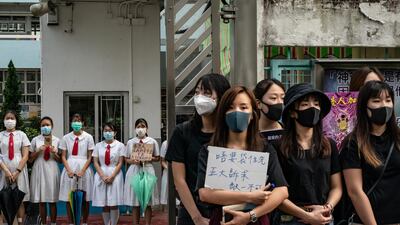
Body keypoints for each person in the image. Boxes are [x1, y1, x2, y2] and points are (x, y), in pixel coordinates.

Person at [197, 86, 289, 225]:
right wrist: (250, 196)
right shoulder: (209, 150)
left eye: (244, 107)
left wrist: (251, 215)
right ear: (223, 113)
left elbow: (282, 191)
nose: (237, 112)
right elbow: (205, 194)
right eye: (231, 107)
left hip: (257, 219)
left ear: (252, 114)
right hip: (222, 219)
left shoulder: (264, 149)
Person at [165, 73, 230, 225]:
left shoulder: (230, 133)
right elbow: (179, 180)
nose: (200, 97)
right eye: (197, 92)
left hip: (226, 210)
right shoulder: (182, 132)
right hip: (191, 211)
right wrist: (196, 217)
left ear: (222, 97)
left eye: (207, 93)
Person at [275, 83, 342, 225]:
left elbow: (337, 187)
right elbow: (276, 195)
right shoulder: (278, 147)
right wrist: (306, 215)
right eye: (305, 104)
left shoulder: (329, 145)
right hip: (290, 219)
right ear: (292, 112)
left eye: (316, 104)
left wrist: (327, 207)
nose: (313, 108)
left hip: (324, 218)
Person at [340, 80, 400, 225]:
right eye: (376, 101)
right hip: (366, 222)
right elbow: (355, 191)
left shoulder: (398, 138)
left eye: (388, 100)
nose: (384, 105)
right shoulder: (353, 143)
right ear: (364, 106)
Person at [59, 113, 94, 225]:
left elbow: (90, 157)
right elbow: (63, 156)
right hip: (70, 167)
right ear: (71, 123)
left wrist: (83, 170)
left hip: (84, 168)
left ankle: (84, 222)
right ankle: (71, 222)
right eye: (74, 120)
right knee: (70, 196)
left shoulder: (88, 137)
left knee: (85, 196)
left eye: (79, 120)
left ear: (83, 123)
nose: (76, 122)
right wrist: (68, 170)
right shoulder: (65, 137)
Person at [124, 118, 160, 225]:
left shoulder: (152, 141)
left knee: (147, 201)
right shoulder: (130, 142)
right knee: (136, 202)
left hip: (148, 170)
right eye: (138, 127)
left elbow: (157, 157)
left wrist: (149, 158)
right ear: (135, 128)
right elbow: (126, 158)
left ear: (147, 128)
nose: (141, 129)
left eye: (143, 126)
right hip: (134, 170)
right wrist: (133, 161)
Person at [0, 110, 30, 225]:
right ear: (3, 121)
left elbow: (26, 155)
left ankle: (20, 222)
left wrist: (17, 171)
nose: (10, 120)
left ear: (16, 120)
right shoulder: (0, 135)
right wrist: (6, 171)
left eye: (12, 118)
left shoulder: (22, 135)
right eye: (7, 118)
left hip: (20, 170)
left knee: (20, 198)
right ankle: (8, 222)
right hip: (4, 169)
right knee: (4, 198)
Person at [29, 116, 60, 225]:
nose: (45, 127)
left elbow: (60, 160)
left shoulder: (57, 140)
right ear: (40, 127)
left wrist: (54, 152)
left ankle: (53, 223)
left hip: (52, 170)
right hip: (39, 169)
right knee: (41, 201)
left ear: (52, 126)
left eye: (47, 125)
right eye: (43, 125)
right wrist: (38, 150)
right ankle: (43, 223)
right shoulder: (35, 140)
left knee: (52, 201)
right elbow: (30, 159)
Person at [92, 122, 125, 225]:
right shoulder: (98, 145)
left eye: (110, 131)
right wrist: (102, 176)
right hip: (101, 174)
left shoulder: (120, 145)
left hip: (115, 175)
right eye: (105, 131)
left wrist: (112, 176)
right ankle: (107, 223)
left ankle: (114, 223)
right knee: (104, 202)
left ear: (115, 133)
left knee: (113, 202)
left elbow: (120, 162)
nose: (108, 133)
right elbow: (95, 162)